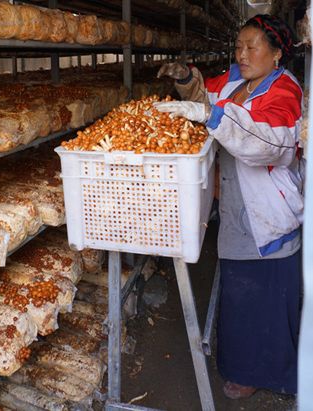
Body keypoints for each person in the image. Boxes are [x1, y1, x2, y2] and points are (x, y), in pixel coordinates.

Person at [156, 14, 304, 399]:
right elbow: (204, 99)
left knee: (265, 295)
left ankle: (270, 374)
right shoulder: (237, 81)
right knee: (240, 290)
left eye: (251, 47)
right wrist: (187, 80)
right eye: (238, 46)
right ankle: (245, 366)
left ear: (276, 54)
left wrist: (212, 115)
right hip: (236, 200)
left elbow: (272, 143)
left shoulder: (285, 90)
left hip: (267, 207)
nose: (242, 54)